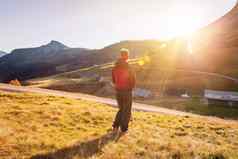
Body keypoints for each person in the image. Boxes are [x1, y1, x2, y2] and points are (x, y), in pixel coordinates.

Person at [112, 48, 136, 134]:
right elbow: (133, 79)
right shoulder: (129, 66)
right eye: (127, 55)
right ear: (126, 55)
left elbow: (114, 80)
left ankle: (115, 126)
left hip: (118, 91)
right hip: (126, 91)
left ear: (120, 55)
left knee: (121, 109)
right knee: (126, 110)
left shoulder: (115, 66)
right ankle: (124, 129)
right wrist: (131, 87)